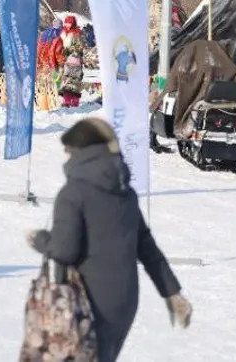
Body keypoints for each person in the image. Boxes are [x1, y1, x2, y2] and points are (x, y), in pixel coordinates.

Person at [29, 118, 192, 361]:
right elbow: (148, 249)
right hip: (125, 302)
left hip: (89, 302)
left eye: (69, 151)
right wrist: (172, 293)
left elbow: (64, 252)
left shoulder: (73, 194)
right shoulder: (126, 193)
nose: (67, 157)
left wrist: (40, 240)